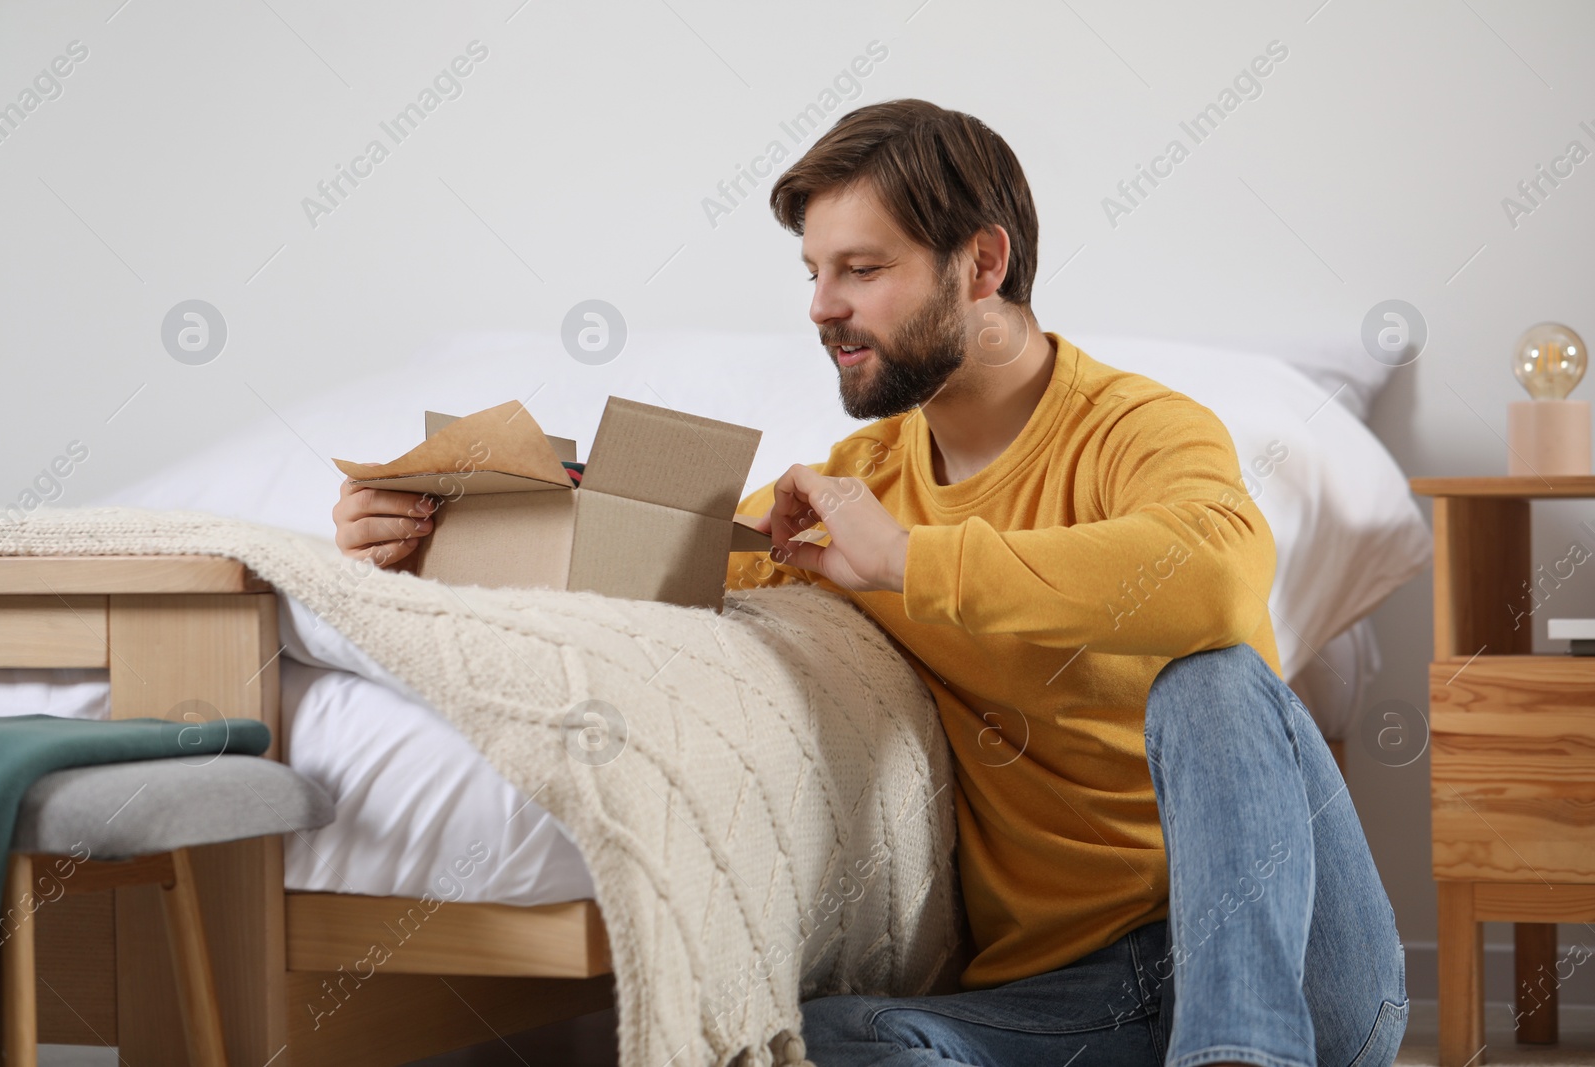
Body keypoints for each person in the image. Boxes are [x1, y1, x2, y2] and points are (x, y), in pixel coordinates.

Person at [333, 99, 1407, 1067]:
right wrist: (427, 529)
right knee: (828, 1034)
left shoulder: (1137, 428)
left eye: (861, 268)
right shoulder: (864, 487)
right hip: (1081, 994)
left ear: (981, 264)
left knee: (1209, 678)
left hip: (1296, 967)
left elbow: (1216, 579)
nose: (819, 305)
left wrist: (908, 562)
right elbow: (642, 554)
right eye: (812, 271)